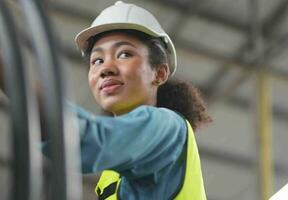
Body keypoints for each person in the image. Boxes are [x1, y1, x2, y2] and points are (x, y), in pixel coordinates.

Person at [70, 1, 212, 199]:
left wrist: (32, 97)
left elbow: (84, 141)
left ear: (159, 73)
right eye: (97, 60)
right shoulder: (111, 173)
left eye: (124, 54)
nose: (105, 68)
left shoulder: (166, 129)